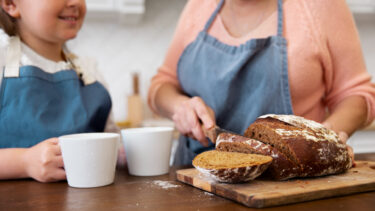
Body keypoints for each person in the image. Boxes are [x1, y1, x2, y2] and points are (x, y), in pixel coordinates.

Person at [148, 0, 375, 166]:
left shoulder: (319, 6)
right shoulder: (199, 7)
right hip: (194, 183)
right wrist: (179, 106)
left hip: (289, 188)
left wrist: (327, 136)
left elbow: (357, 95)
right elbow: (163, 84)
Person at [0, 0, 119, 182]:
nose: (75, 2)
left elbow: (109, 138)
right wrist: (23, 162)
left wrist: (123, 152)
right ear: (11, 4)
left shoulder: (89, 71)